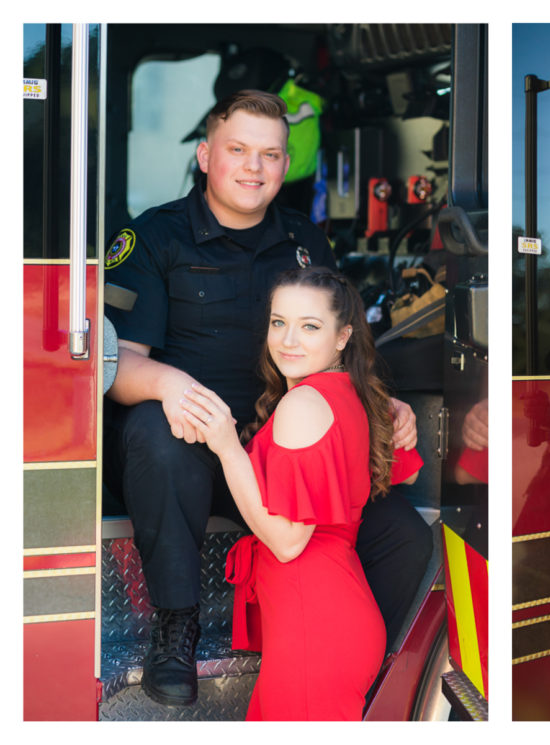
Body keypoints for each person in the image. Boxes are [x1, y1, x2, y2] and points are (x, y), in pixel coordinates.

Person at [103, 89, 431, 707]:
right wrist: (171, 385)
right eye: (238, 150)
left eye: (271, 155)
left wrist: (385, 405)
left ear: (286, 166)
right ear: (205, 156)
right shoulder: (153, 237)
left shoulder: (307, 242)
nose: (254, 168)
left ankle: (363, 663)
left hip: (279, 451)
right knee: (153, 432)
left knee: (405, 536)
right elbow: (117, 366)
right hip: (191, 441)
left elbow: (342, 343)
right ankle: (176, 629)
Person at [179, 267, 420, 719]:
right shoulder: (354, 394)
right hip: (330, 620)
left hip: (316, 627)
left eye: (309, 326)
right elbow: (401, 476)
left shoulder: (303, 404)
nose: (288, 340)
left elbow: (289, 542)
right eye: (278, 322)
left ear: (343, 336)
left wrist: (227, 446)